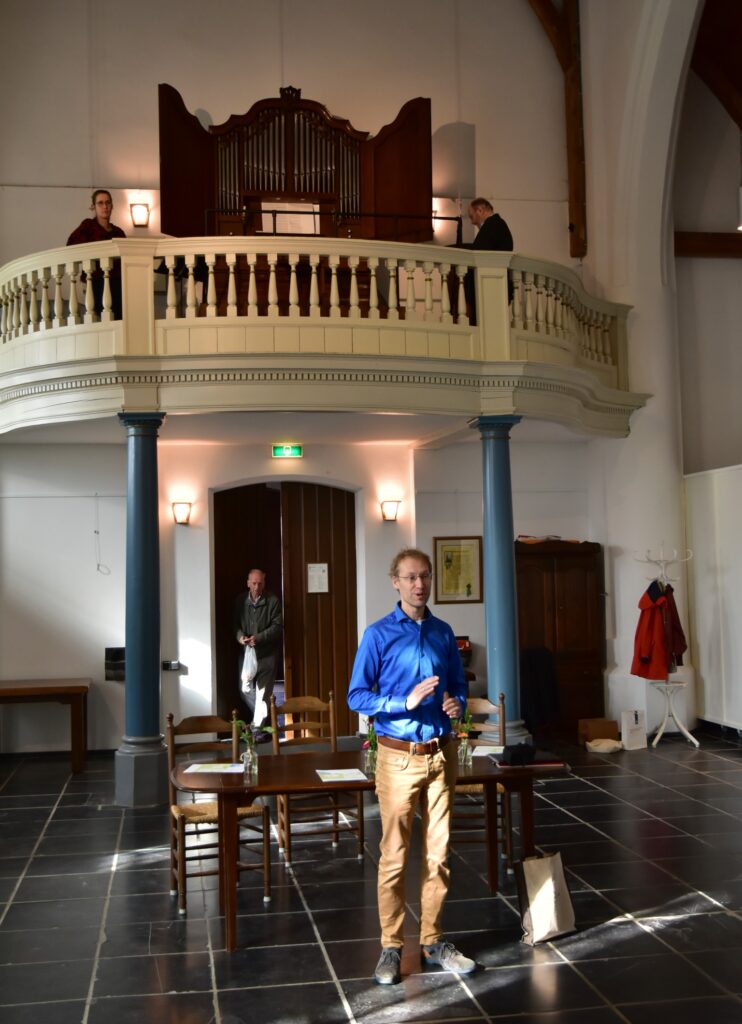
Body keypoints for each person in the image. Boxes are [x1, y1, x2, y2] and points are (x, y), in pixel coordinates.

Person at [347, 548, 474, 986]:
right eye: (410, 577)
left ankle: (434, 942)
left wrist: (455, 704)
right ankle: (390, 947)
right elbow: (356, 697)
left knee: (438, 856)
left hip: (441, 755)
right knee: (395, 856)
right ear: (395, 582)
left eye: (425, 577)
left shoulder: (443, 632)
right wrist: (403, 701)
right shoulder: (377, 635)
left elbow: (457, 684)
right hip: (397, 756)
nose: (419, 584)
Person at [234, 568, 283, 732]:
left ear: (264, 583)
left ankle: (256, 731)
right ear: (248, 583)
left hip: (267, 654)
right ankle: (265, 718)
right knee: (245, 689)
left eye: (259, 583)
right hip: (247, 654)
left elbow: (277, 627)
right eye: (253, 583)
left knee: (262, 693)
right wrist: (241, 637)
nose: (256, 587)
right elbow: (235, 625)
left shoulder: (273, 601)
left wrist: (259, 638)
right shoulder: (240, 601)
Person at [67, 189, 126, 318]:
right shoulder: (88, 226)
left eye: (108, 202)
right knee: (99, 319)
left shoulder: (118, 232)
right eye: (100, 203)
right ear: (93, 207)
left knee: (119, 319)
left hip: (117, 283)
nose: (105, 206)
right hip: (96, 281)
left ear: (112, 206)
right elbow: (71, 245)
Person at [459, 197, 514, 322]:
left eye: (472, 217)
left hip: (490, 288)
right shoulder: (497, 225)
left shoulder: (493, 225)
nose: (472, 222)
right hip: (492, 286)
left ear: (480, 210)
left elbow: (479, 254)